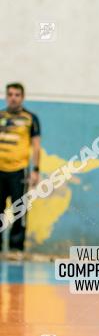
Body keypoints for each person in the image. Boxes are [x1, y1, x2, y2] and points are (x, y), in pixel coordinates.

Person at [0, 83, 41, 258]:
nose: (13, 97)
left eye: (17, 94)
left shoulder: (31, 118)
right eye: (10, 94)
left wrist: (36, 170)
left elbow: (36, 147)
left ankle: (16, 250)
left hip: (19, 172)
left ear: (22, 97)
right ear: (6, 96)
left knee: (19, 211)